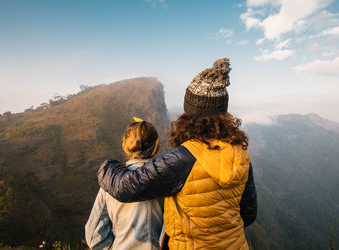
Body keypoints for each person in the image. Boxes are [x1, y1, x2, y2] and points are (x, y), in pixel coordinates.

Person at [97, 58, 257, 249]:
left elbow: (125, 187)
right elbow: (248, 213)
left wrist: (107, 166)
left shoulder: (183, 159)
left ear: (189, 112)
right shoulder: (240, 152)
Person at [85, 119, 164, 250]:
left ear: (125, 147)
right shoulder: (167, 182)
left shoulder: (109, 183)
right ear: (157, 148)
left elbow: (94, 236)